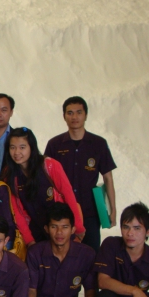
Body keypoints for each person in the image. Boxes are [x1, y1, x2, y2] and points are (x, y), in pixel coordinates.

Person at [14, 202, 97, 297]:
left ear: (73, 229)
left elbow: (91, 286)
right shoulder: (35, 252)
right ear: (46, 229)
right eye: (54, 227)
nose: (59, 232)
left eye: (65, 227)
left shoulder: (86, 254)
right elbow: (32, 288)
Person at [44, 96, 117, 252]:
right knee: (61, 253)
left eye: (79, 112)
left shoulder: (98, 144)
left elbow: (108, 178)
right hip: (62, 213)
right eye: (70, 113)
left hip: (90, 212)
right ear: (64, 116)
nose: (74, 117)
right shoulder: (54, 145)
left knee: (91, 253)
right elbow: (46, 179)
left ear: (86, 115)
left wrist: (113, 210)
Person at [3, 127, 85, 247]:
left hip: (60, 230)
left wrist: (78, 227)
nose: (16, 152)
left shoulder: (50, 166)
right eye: (12, 147)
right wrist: (29, 241)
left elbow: (69, 196)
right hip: (36, 234)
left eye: (22, 147)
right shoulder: (9, 174)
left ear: (32, 147)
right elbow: (17, 212)